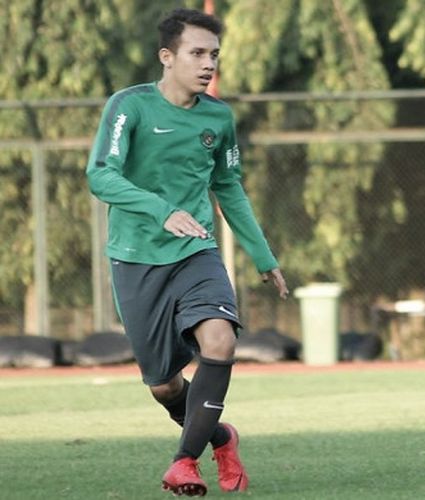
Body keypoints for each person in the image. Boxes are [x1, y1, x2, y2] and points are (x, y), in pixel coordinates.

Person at [86, 8, 288, 497]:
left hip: (196, 253)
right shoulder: (128, 106)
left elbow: (229, 187)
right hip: (135, 257)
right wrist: (160, 210)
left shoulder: (219, 117)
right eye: (197, 53)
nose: (208, 64)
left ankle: (183, 463)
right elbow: (100, 175)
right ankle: (221, 437)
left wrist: (264, 257)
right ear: (167, 57)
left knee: (220, 340)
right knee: (164, 386)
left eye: (214, 55)